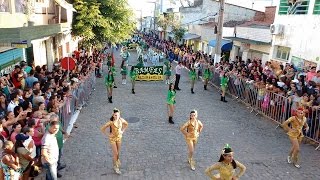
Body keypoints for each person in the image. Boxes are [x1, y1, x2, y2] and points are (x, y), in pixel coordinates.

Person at [100, 108, 128, 175]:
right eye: (114, 115)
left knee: (118, 153)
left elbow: (126, 124)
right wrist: (108, 135)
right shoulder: (111, 122)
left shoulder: (121, 120)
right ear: (113, 115)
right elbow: (102, 128)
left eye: (117, 115)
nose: (116, 116)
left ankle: (116, 162)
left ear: (119, 115)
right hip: (112, 139)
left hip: (119, 138)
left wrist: (122, 131)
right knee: (115, 153)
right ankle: (116, 167)